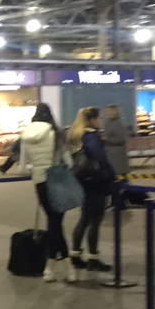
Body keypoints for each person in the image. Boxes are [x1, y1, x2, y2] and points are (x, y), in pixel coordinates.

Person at [20, 102, 76, 283]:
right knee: (55, 224)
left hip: (40, 183)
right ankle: (63, 268)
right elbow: (69, 162)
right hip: (57, 182)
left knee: (53, 223)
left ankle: (52, 268)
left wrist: (36, 167)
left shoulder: (26, 134)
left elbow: (22, 168)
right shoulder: (55, 133)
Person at [68, 106, 115, 272]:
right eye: (99, 118)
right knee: (95, 220)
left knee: (85, 219)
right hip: (96, 181)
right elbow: (101, 159)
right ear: (92, 120)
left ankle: (75, 255)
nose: (101, 120)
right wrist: (112, 177)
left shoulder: (76, 134)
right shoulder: (91, 136)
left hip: (83, 180)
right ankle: (93, 258)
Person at [102, 105, 130, 178]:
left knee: (120, 178)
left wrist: (107, 139)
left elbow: (122, 139)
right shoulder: (107, 123)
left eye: (108, 112)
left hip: (118, 156)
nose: (106, 113)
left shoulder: (119, 124)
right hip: (109, 155)